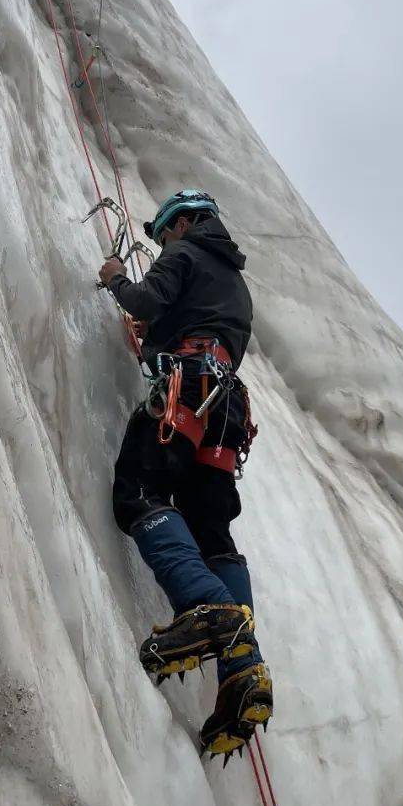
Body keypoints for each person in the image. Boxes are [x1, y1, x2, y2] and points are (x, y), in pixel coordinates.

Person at [98, 189, 272, 761]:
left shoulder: (187, 253)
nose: (162, 241)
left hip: (187, 389)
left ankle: (204, 608)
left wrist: (117, 278)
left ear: (189, 223)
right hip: (225, 407)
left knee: (140, 492)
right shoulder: (236, 286)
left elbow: (147, 301)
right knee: (212, 533)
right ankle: (242, 667)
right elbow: (179, 325)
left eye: (165, 231)